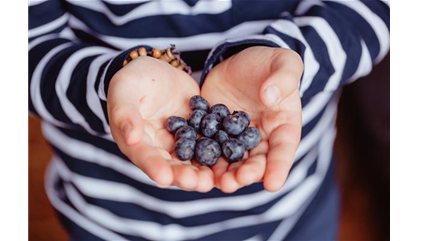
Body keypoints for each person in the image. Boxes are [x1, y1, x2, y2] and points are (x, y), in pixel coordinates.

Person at [28, 0, 390, 240]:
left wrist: (293, 59)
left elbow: (386, 15)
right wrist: (105, 84)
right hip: (113, 221)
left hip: (291, 216)